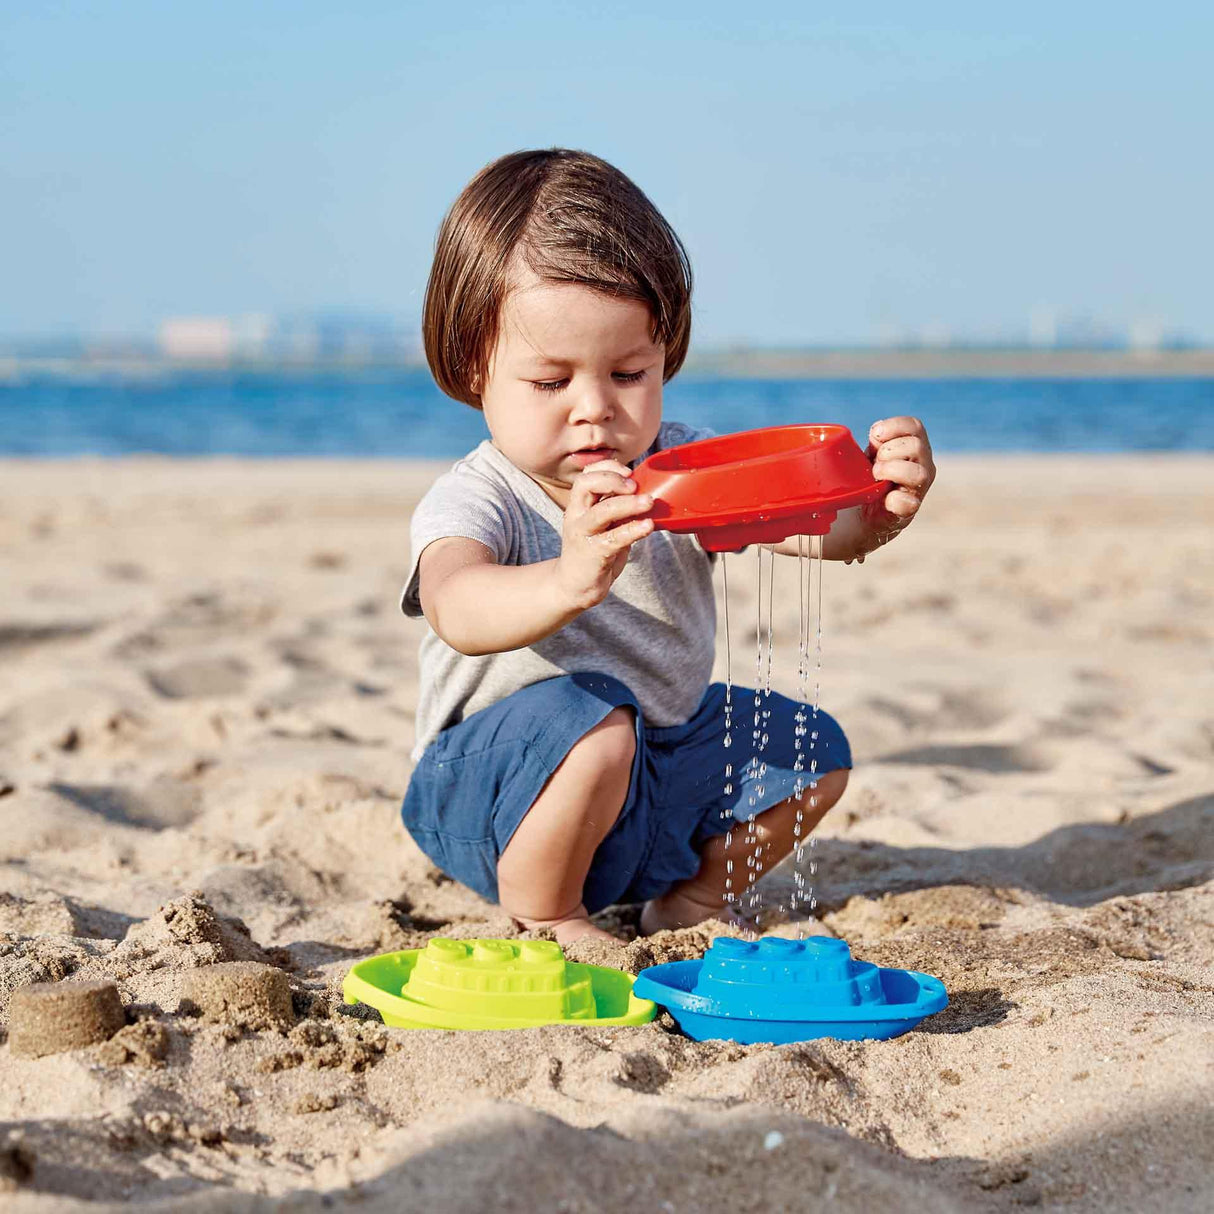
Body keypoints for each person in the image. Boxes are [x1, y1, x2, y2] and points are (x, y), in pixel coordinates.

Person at [399, 148, 936, 943]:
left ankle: (688, 902)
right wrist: (567, 578)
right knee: (596, 722)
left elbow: (808, 528)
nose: (594, 408)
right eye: (550, 382)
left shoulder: (678, 468)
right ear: (474, 366)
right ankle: (546, 915)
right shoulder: (482, 495)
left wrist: (877, 514)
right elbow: (456, 604)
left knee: (812, 751)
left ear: (665, 354)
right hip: (497, 793)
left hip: (655, 777)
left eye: (628, 373)